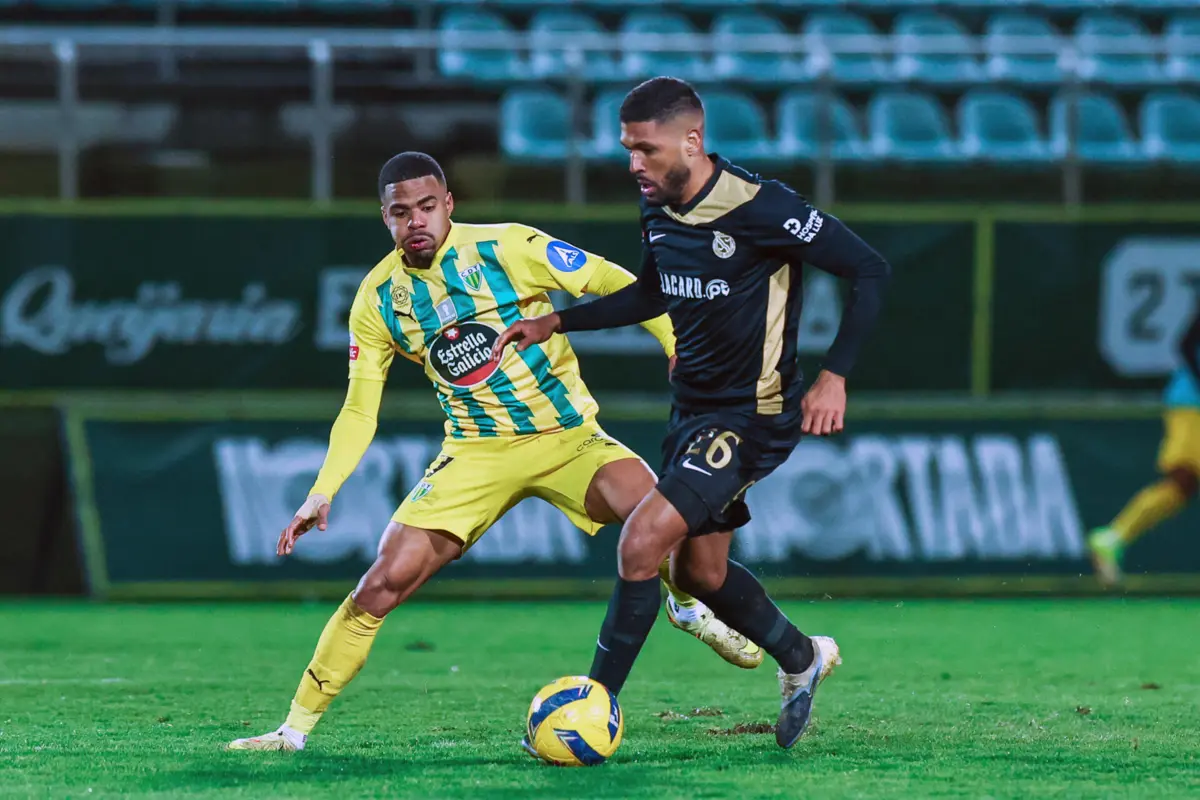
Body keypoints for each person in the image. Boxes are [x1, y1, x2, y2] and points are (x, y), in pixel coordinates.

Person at [228, 151, 761, 753]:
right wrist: (321, 492)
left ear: (449, 204)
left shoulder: (509, 247)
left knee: (670, 524)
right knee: (379, 584)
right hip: (475, 453)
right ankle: (292, 730)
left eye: (427, 207)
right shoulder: (377, 299)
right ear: (386, 219)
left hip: (569, 439)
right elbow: (359, 409)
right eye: (401, 213)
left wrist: (672, 341)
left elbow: (614, 280)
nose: (417, 221)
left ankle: (687, 605)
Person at [494, 78, 891, 749]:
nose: (633, 164)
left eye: (646, 149)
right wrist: (558, 321)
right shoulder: (657, 206)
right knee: (698, 574)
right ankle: (802, 657)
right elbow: (651, 291)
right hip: (693, 412)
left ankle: (593, 707)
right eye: (627, 150)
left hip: (751, 414)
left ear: (692, 141)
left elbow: (870, 269)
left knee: (642, 542)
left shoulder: (761, 207)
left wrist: (834, 377)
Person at [1089, 301, 1200, 586]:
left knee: (1182, 487)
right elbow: (1186, 343)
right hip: (1192, 403)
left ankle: (1112, 538)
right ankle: (1112, 537)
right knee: (1183, 480)